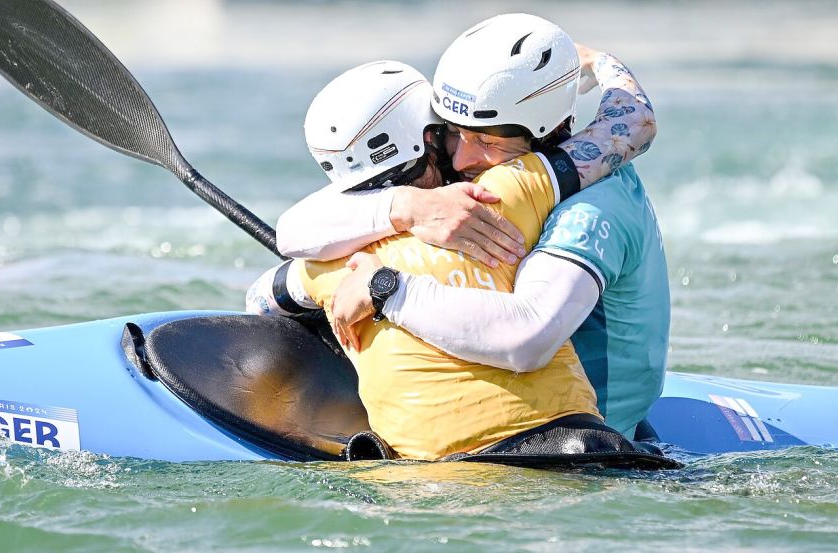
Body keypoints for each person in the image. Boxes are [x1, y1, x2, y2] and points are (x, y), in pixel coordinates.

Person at [278, 14, 668, 439]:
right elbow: (294, 231)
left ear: (549, 129)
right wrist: (408, 205)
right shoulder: (469, 182)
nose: (461, 162)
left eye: (487, 141)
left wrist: (385, 288)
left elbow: (528, 337)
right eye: (454, 134)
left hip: (579, 443)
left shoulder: (594, 206)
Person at [246, 59, 602, 461]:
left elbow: (261, 299)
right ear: (430, 136)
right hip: (578, 446)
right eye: (450, 131)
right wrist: (605, 66)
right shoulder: (504, 193)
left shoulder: (327, 264)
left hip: (437, 480)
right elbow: (621, 134)